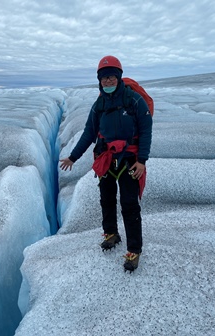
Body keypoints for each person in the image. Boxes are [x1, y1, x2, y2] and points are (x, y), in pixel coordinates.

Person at [59, 55, 153, 272]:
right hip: (106, 158)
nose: (108, 82)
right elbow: (89, 134)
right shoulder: (99, 105)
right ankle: (111, 233)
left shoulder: (134, 101)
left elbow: (146, 131)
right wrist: (73, 157)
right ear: (99, 80)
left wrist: (142, 161)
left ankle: (134, 250)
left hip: (130, 160)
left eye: (111, 77)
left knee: (130, 205)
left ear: (118, 78)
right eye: (104, 78)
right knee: (107, 199)